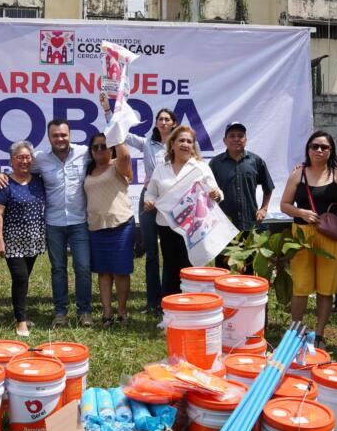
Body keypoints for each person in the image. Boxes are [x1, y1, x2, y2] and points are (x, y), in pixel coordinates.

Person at [100, 95, 177, 315]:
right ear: (156, 123)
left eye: (167, 119)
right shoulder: (147, 143)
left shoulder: (181, 144)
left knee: (172, 252)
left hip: (174, 200)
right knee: (151, 253)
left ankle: (172, 299)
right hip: (150, 198)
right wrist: (107, 110)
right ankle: (153, 302)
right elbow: (119, 133)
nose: (163, 122)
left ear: (174, 123)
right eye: (160, 119)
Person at [279, 131, 337, 346]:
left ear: (331, 150)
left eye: (324, 147)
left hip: (329, 236)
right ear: (308, 149)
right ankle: (295, 331)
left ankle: (319, 334)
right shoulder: (298, 174)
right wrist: (302, 213)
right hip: (302, 235)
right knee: (301, 286)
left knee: (326, 288)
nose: (319, 150)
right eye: (315, 146)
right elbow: (284, 205)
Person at [144, 126, 224, 296]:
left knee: (191, 267)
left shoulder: (200, 167)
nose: (185, 144)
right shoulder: (161, 168)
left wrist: (216, 194)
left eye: (189, 141)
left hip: (193, 227)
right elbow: (151, 192)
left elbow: (217, 192)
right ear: (172, 144)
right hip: (167, 226)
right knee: (170, 267)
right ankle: (171, 310)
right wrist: (148, 201)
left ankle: (193, 305)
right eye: (181, 140)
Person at [33, 119, 93, 327]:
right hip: (54, 222)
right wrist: (0, 178)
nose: (60, 139)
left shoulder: (85, 152)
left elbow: (107, 158)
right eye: (55, 135)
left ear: (70, 135)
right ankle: (60, 313)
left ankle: (84, 312)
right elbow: (19, 169)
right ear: (49, 137)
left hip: (80, 221)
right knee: (58, 268)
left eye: (63, 135)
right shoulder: (39, 159)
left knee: (83, 268)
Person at [0, 141, 46, 337]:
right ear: (11, 161)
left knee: (25, 278)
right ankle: (21, 321)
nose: (24, 161)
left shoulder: (39, 180)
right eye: (19, 157)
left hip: (33, 238)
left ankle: (21, 311)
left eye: (27, 157)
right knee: (20, 278)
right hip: (13, 240)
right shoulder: (5, 183)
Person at [84, 133, 135, 327]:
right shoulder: (88, 171)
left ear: (111, 148)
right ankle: (107, 313)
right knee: (103, 273)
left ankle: (122, 311)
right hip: (97, 228)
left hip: (120, 225)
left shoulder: (117, 166)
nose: (99, 150)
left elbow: (126, 157)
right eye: (95, 147)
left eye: (103, 146)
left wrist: (116, 135)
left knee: (121, 272)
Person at [209, 122, 274, 241]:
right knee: (224, 259)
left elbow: (268, 187)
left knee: (250, 259)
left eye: (240, 136)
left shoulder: (256, 161)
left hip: (250, 222)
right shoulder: (215, 163)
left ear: (246, 140)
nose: (236, 139)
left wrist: (264, 208)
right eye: (232, 136)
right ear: (224, 140)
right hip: (224, 224)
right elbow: (208, 191)